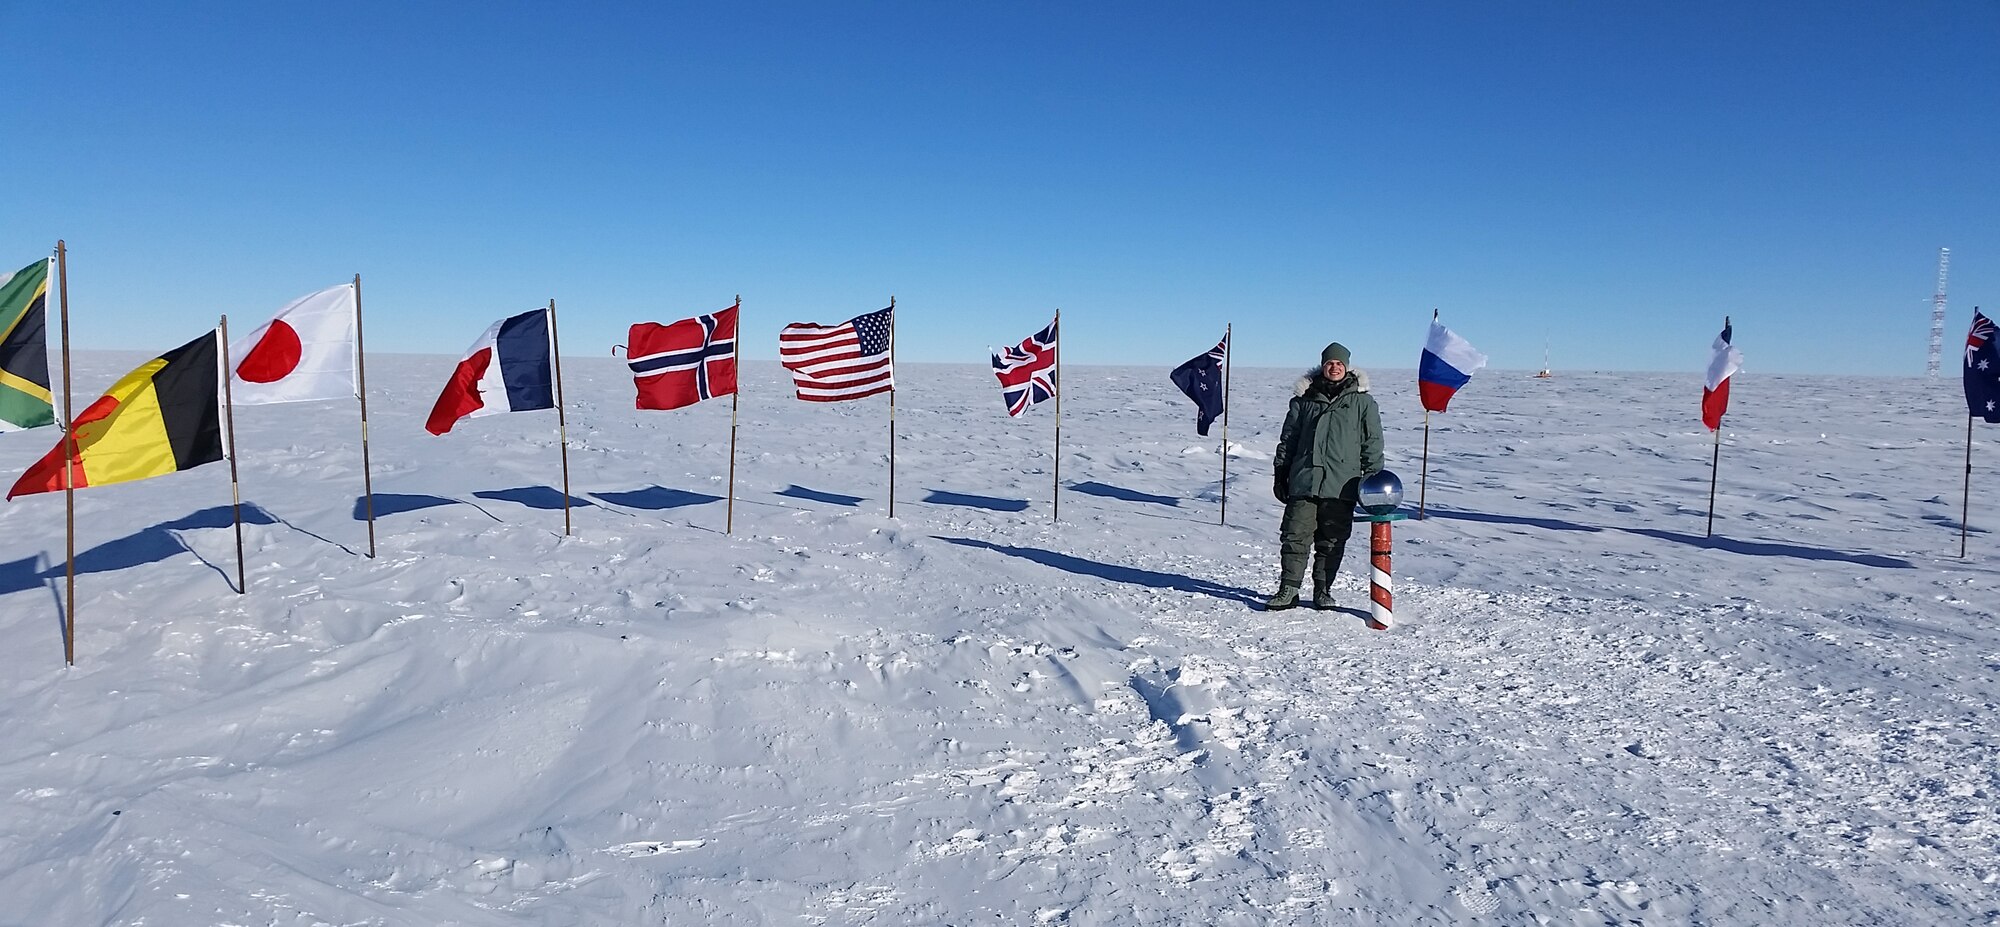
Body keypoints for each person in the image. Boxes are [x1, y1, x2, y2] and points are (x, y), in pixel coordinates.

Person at [1268, 341, 1383, 610]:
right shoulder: (1303, 401)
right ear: (1323, 366)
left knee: (1331, 539)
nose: (1334, 367)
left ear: (1347, 367)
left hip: (1342, 483)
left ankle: (1323, 589)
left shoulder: (1362, 403)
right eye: (1330, 363)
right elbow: (1289, 440)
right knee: (1295, 536)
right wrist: (1281, 471)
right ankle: (1289, 589)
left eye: (1339, 363)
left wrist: (1372, 478)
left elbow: (1373, 443)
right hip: (1304, 479)